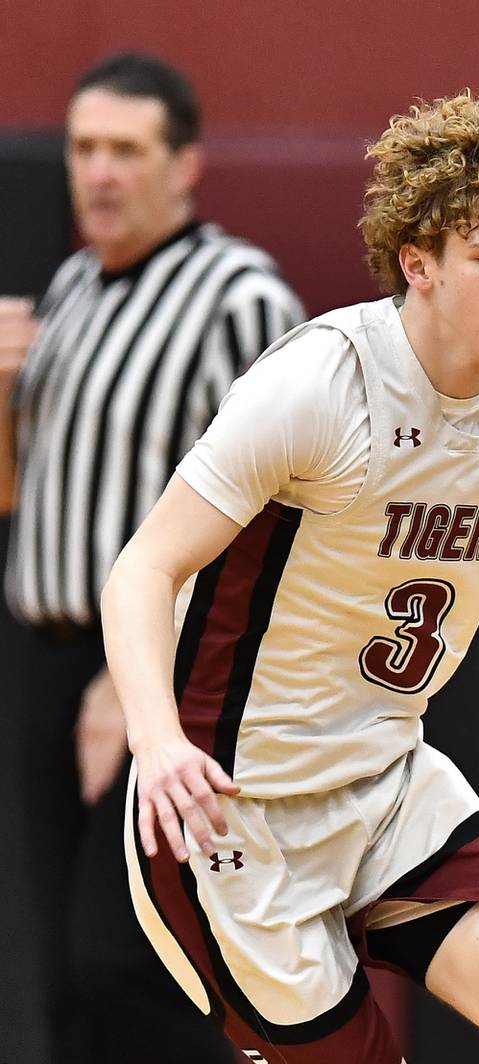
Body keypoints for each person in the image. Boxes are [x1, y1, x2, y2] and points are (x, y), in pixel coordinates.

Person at [101, 90, 479, 1064]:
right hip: (231, 810)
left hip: (385, 784)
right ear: (418, 264)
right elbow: (143, 567)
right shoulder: (320, 387)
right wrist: (156, 740)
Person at [0, 52, 302, 1064]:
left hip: (157, 667)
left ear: (185, 166)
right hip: (42, 655)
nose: (100, 172)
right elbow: (23, 491)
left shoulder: (239, 298)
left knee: (129, 955)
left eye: (127, 150)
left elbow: (279, 513)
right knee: (58, 975)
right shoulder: (76, 285)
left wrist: (132, 688)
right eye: (85, 148)